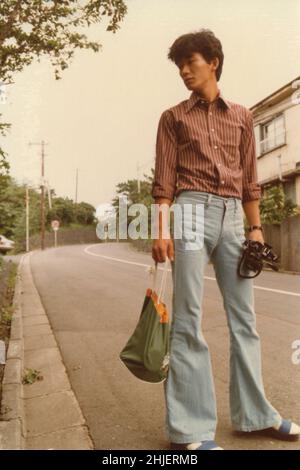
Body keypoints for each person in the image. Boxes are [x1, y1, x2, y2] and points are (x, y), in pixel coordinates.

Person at [151, 29, 300, 451]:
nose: (183, 71)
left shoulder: (241, 116)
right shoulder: (173, 117)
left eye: (191, 62)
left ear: (213, 62)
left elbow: (251, 180)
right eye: (179, 65)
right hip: (191, 211)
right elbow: (163, 182)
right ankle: (191, 430)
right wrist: (162, 230)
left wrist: (256, 229)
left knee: (245, 321)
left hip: (235, 215)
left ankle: (255, 416)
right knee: (187, 319)